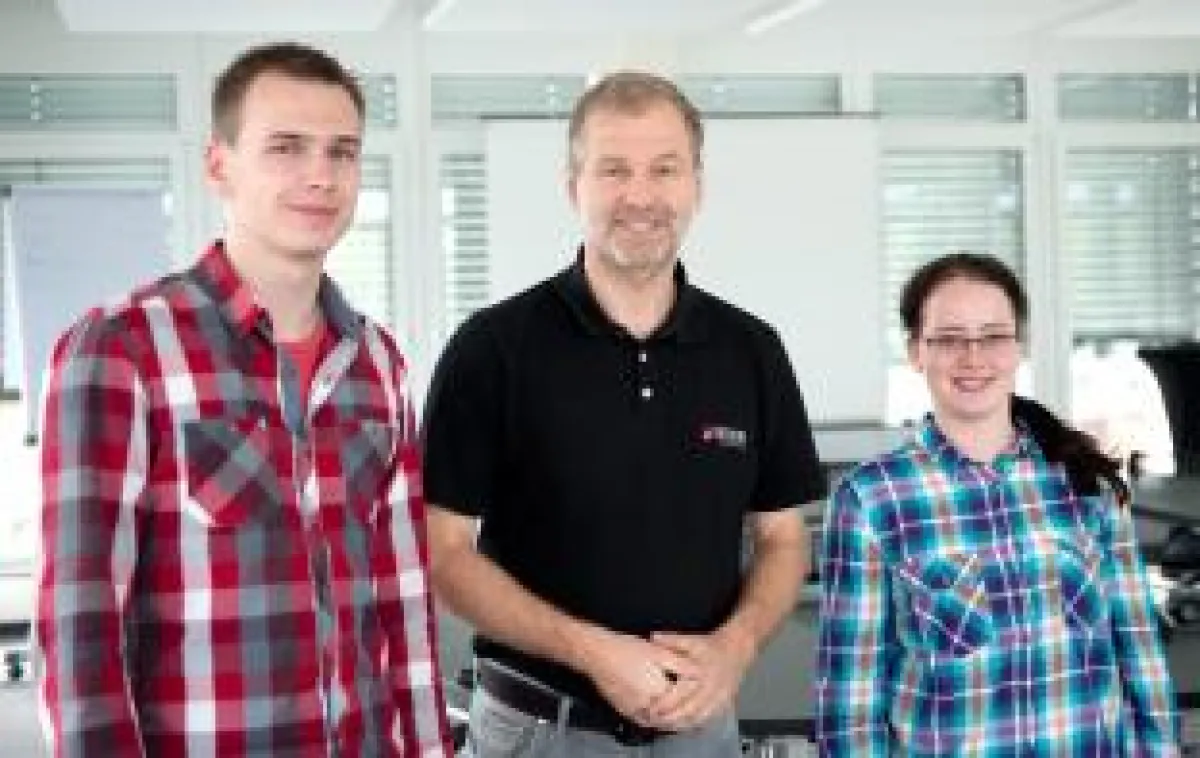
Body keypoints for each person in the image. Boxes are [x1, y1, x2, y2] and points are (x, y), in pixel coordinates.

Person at [35, 42, 451, 757]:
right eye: (286, 147)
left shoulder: (378, 362)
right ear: (218, 165)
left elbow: (403, 603)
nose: (320, 176)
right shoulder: (121, 347)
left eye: (342, 151)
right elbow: (81, 632)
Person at [420, 70, 827, 757]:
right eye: (613, 170)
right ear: (572, 185)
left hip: (703, 731)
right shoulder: (492, 348)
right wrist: (587, 648)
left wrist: (737, 645)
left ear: (697, 184)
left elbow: (784, 539)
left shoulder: (752, 350)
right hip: (537, 734)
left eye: (664, 169)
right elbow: (441, 551)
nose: (640, 195)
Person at [815, 252, 1179, 755]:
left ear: (1017, 348)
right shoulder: (871, 500)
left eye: (993, 335)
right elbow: (850, 710)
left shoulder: (1085, 480)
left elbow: (1140, 655)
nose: (973, 357)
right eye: (948, 338)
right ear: (917, 352)